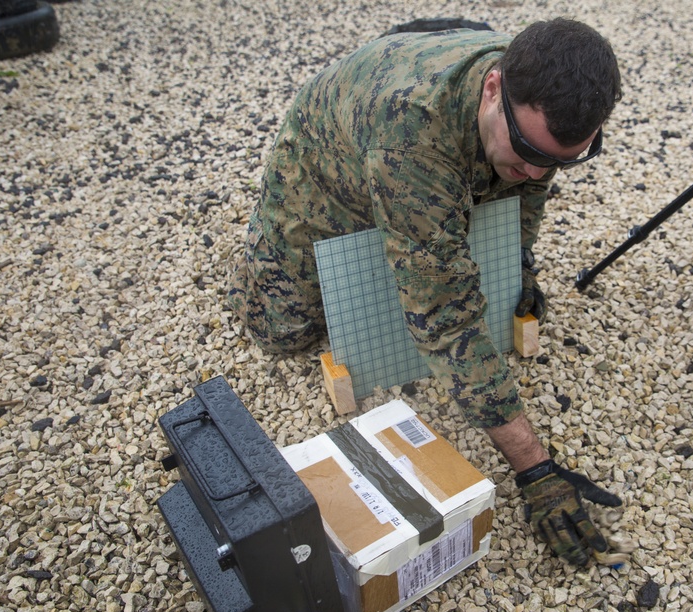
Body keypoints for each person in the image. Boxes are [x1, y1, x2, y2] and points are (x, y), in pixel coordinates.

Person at [228, 17, 623, 566]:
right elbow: (445, 322)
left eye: (559, 159)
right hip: (328, 174)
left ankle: (425, 223)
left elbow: (528, 192)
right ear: (493, 87)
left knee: (468, 214)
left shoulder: (537, 100)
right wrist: (535, 468)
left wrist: (519, 259)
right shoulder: (412, 129)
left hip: (426, 148)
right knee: (279, 330)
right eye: (529, 149)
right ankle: (278, 251)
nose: (536, 171)